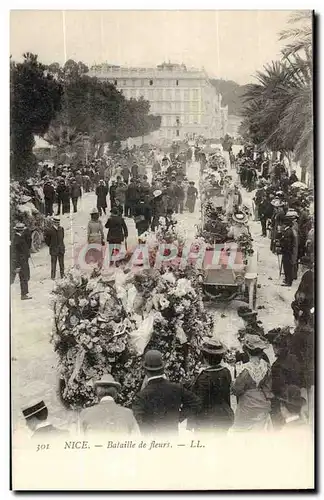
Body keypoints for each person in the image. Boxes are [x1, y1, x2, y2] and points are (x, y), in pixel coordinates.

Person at [132, 350, 201, 435]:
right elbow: (196, 402)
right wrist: (179, 417)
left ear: (145, 371)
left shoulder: (141, 396)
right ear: (163, 369)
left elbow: (139, 422)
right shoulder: (176, 388)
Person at [190, 339, 234, 432]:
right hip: (223, 414)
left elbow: (198, 402)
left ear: (205, 358)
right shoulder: (226, 372)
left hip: (207, 420)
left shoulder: (204, 377)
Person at [231, 335, 273, 432]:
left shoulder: (245, 369)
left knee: (244, 431)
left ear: (247, 351)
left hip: (248, 403)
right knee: (259, 429)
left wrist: (233, 384)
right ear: (261, 352)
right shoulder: (266, 366)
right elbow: (268, 386)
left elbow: (236, 389)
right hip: (262, 400)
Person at [268, 332, 302, 428]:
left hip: (283, 401)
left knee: (279, 425)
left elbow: (276, 388)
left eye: (274, 347)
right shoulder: (294, 358)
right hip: (295, 396)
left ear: (277, 348)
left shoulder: (276, 366)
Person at [11, 222, 32, 300]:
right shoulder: (17, 240)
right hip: (20, 263)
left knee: (25, 277)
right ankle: (23, 295)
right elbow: (15, 254)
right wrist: (17, 266)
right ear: (21, 230)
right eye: (23, 230)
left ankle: (25, 293)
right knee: (23, 278)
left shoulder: (20, 237)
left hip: (24, 261)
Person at [280, 213, 298, 286]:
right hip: (288, 252)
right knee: (287, 266)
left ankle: (288, 281)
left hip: (287, 252)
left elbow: (287, 243)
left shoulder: (288, 232)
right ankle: (287, 280)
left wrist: (282, 247)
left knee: (287, 267)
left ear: (286, 224)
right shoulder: (289, 230)